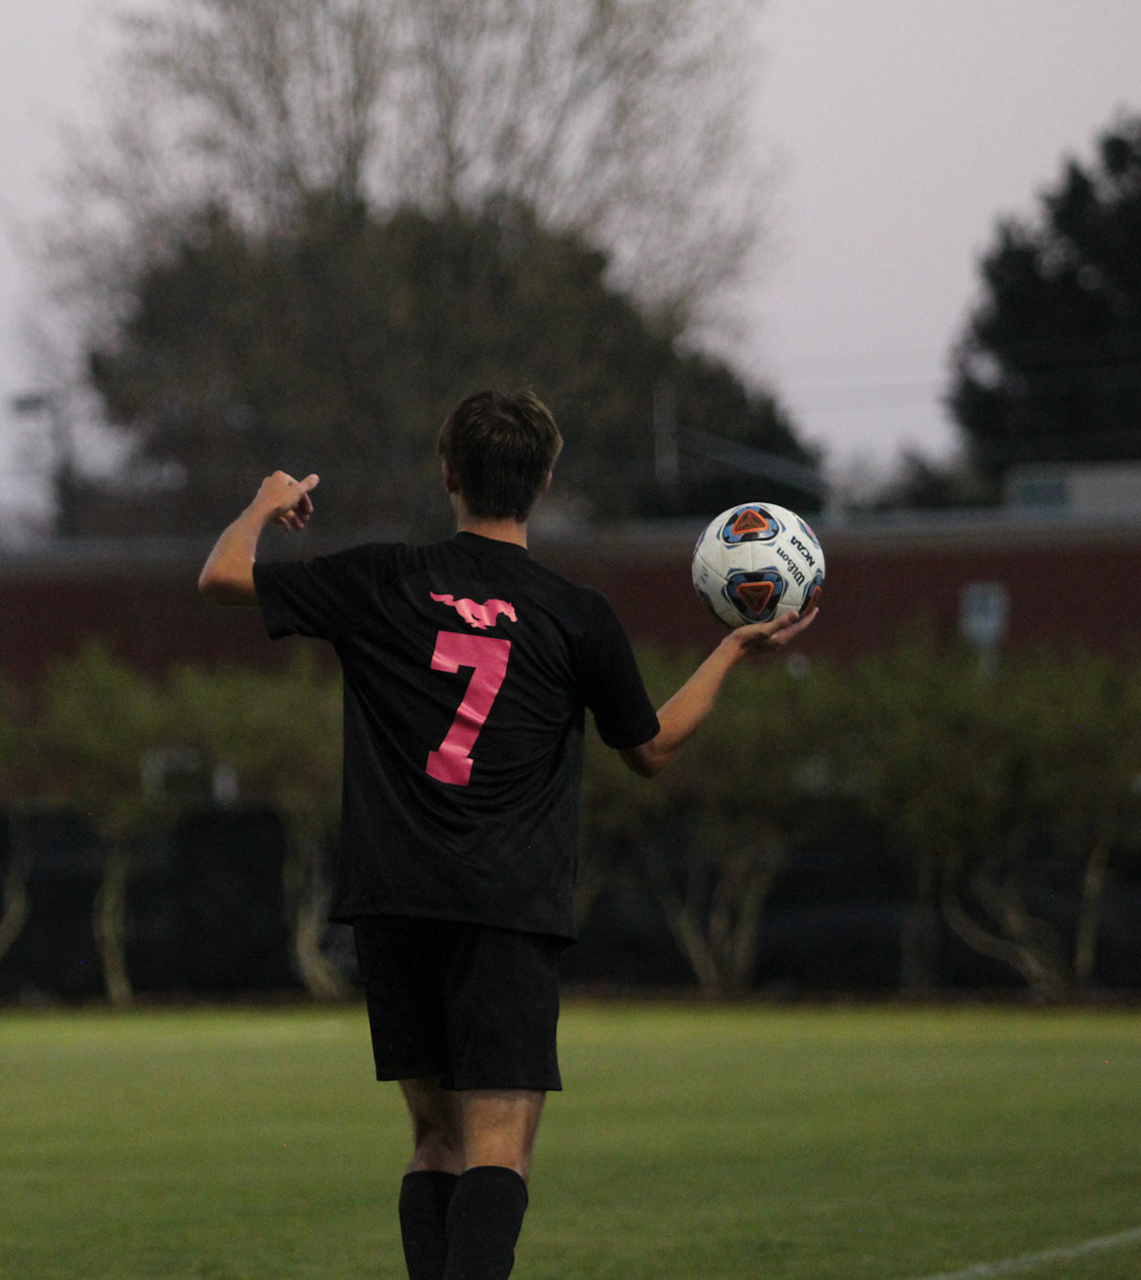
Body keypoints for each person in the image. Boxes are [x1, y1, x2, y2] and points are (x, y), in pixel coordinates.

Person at [197, 390, 815, 1280]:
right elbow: (650, 749)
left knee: (434, 1141)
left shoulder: (383, 577)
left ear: (448, 473)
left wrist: (263, 505)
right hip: (505, 903)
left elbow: (222, 578)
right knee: (498, 1150)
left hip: (393, 898)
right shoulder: (575, 614)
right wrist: (731, 652)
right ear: (546, 482)